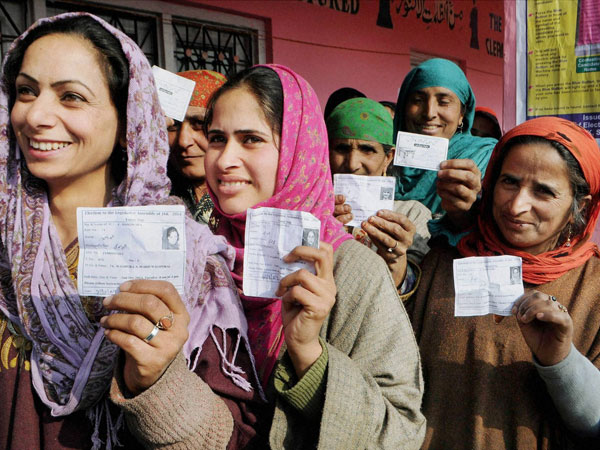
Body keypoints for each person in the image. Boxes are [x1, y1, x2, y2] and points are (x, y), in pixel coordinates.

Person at [0, 13, 258, 449]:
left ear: (129, 124)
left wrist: (157, 381)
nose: (36, 114)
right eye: (26, 91)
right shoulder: (5, 241)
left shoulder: (184, 254)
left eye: (71, 97)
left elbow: (231, 436)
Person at [201, 64, 425, 448]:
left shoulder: (352, 269)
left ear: (297, 149)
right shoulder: (202, 256)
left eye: (251, 139)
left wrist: (309, 354)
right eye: (217, 139)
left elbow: (401, 432)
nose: (224, 160)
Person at [404, 117, 600, 448]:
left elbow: (593, 425)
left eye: (544, 191)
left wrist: (561, 360)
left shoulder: (592, 288)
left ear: (577, 207)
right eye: (509, 182)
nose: (516, 205)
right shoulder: (443, 261)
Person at [326, 97, 431, 290]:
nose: (352, 163)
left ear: (388, 158)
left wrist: (396, 262)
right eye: (342, 148)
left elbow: (419, 290)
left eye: (367, 150)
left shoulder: (411, 215)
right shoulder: (311, 212)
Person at [391, 58, 497, 220]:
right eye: (418, 101)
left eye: (444, 102)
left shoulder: (482, 156)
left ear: (462, 114)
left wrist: (475, 201)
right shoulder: (382, 157)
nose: (429, 113)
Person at [167, 69, 226, 224]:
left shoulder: (249, 198)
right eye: (173, 125)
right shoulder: (151, 197)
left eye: (199, 123)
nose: (183, 141)